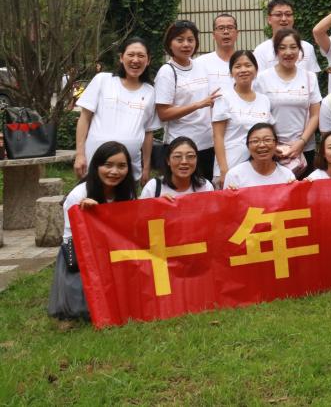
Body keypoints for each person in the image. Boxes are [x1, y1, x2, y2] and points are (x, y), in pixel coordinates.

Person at [48, 141, 136, 320]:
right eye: (108, 165)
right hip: (83, 254)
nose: (114, 172)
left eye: (121, 166)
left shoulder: (128, 193)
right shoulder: (78, 194)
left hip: (115, 250)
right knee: (83, 311)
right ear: (96, 166)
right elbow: (70, 236)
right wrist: (88, 216)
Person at [74, 37, 161, 181]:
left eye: (141, 56)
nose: (135, 60)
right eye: (131, 54)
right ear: (121, 57)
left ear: (148, 60)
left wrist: (146, 167)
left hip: (129, 170)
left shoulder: (150, 91)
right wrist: (80, 154)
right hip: (94, 163)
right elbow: (84, 118)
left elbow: (148, 131)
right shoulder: (103, 80)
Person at [155, 20, 220, 180]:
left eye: (190, 40)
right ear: (170, 43)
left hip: (206, 144)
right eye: (180, 40)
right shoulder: (167, 72)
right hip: (180, 147)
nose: (186, 44)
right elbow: (163, 113)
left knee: (205, 189)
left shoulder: (200, 66)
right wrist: (198, 105)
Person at [253, 28, 322, 177]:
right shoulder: (262, 78)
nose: (288, 52)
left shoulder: (309, 77)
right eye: (282, 48)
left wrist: (302, 142)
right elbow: (259, 115)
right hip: (272, 149)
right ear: (276, 51)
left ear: (300, 50)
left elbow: (315, 115)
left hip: (304, 149)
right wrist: (273, 145)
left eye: (293, 47)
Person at [212, 50, 274, 187]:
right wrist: (223, 170)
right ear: (231, 72)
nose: (243, 70)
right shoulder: (224, 98)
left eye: (248, 65)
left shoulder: (264, 100)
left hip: (258, 168)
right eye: (238, 66)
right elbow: (217, 136)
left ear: (256, 70)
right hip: (231, 165)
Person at [252, 0, 321, 74]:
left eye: (288, 14)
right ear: (269, 19)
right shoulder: (261, 51)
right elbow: (259, 79)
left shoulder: (307, 47)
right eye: (278, 15)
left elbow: (313, 78)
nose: (284, 19)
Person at [223, 123, 296, 189]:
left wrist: (296, 189)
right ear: (248, 146)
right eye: (255, 141)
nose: (262, 145)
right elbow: (227, 199)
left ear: (276, 143)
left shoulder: (287, 175)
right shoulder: (234, 175)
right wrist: (230, 195)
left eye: (267, 140)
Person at [141, 136, 216, 198]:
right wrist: (156, 204)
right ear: (168, 161)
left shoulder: (205, 186)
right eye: (177, 156)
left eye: (190, 156)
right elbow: (142, 211)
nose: (184, 161)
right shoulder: (153, 187)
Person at [194, 13, 239, 95]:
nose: (226, 32)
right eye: (221, 28)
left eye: (230, 28)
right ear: (214, 35)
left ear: (237, 33)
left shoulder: (247, 62)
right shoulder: (200, 63)